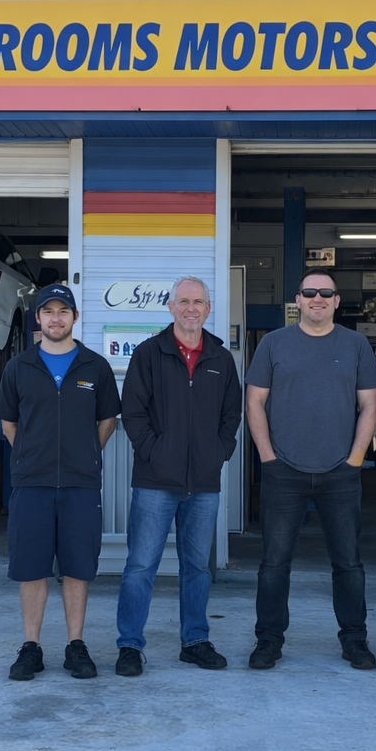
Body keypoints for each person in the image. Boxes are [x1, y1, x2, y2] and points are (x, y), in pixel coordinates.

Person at [244, 270, 376, 670]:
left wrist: (355, 459)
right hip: (283, 469)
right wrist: (268, 457)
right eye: (309, 292)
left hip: (341, 472)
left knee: (349, 564)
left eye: (326, 293)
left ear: (337, 301)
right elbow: (254, 403)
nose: (317, 298)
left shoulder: (355, 345)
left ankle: (355, 641)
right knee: (273, 564)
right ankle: (268, 641)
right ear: (298, 300)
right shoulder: (273, 343)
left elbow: (370, 406)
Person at [115, 276, 243, 676]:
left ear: (208, 309)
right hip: (155, 481)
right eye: (184, 301)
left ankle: (195, 641)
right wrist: (155, 453)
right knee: (140, 566)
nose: (191, 308)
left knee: (197, 568)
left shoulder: (221, 359)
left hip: (203, 483)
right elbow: (132, 414)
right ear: (171, 307)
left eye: (199, 302)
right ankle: (130, 646)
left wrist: (218, 453)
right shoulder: (149, 354)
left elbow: (231, 415)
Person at [0, 283, 120, 681]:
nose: (55, 318)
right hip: (32, 483)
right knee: (31, 568)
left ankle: (75, 645)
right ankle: (31, 647)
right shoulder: (19, 368)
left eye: (62, 311)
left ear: (74, 318)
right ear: (39, 319)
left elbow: (107, 421)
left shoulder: (95, 367)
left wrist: (83, 454)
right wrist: (32, 455)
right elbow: (9, 423)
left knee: (77, 567)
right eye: (48, 311)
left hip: (81, 484)